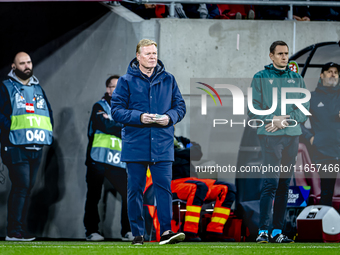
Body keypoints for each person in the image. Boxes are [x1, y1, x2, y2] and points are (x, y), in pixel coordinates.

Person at [111, 39, 186, 245]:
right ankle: (137, 234)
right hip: (136, 145)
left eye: (155, 53)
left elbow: (180, 106)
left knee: (164, 190)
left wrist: (169, 117)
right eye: (148, 54)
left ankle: (166, 232)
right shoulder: (125, 81)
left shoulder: (169, 79)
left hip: (162, 145)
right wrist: (139, 117)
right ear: (138, 56)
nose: (153, 57)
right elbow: (115, 111)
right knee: (135, 190)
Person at [248, 41, 309, 243]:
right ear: (271, 56)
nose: (284, 57)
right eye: (280, 53)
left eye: (286, 53)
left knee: (284, 184)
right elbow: (252, 108)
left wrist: (284, 120)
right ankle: (263, 231)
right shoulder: (260, 77)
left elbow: (303, 108)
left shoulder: (297, 78)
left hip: (291, 135)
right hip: (269, 136)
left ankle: (277, 232)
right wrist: (272, 119)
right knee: (271, 183)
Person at [0, 52, 53, 241]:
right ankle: (14, 232)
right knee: (21, 186)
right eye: (22, 63)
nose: (26, 66)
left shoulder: (38, 88)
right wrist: (12, 130)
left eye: (29, 62)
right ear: (13, 67)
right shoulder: (6, 87)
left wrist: (47, 132)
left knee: (26, 188)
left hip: (35, 146)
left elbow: (47, 113)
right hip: (15, 145)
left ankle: (18, 230)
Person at [84, 75, 132, 241]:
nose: (115, 89)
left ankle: (127, 231)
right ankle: (91, 231)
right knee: (94, 196)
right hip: (98, 159)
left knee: (129, 194)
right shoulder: (100, 106)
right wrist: (123, 126)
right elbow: (105, 125)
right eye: (112, 86)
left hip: (117, 160)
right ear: (108, 89)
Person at [171, 135, 236, 242]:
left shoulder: (182, 140)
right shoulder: (160, 141)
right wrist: (185, 152)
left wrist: (178, 151)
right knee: (199, 187)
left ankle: (214, 231)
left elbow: (197, 153)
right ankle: (189, 232)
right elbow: (170, 154)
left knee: (227, 188)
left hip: (193, 181)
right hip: (174, 183)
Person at [301, 62, 340, 207]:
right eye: (329, 71)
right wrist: (310, 138)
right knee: (326, 194)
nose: (332, 74)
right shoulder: (312, 98)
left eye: (335, 72)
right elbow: (295, 121)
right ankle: (325, 226)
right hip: (325, 154)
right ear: (321, 76)